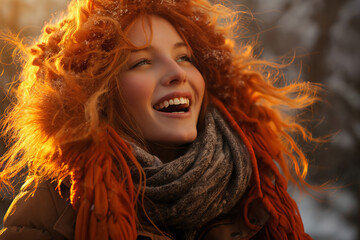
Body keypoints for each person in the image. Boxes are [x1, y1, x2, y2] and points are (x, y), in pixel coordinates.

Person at [0, 0, 318, 239]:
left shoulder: (256, 193)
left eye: (184, 57)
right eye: (142, 62)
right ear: (99, 94)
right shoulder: (54, 208)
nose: (177, 72)